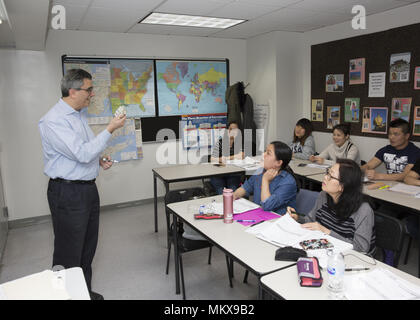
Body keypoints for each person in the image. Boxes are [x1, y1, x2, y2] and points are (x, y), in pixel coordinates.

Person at [39, 69, 126, 300]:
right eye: (89, 90)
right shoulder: (54, 121)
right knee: (68, 253)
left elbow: (84, 151)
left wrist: (99, 159)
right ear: (73, 91)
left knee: (86, 250)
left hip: (86, 190)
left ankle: (82, 293)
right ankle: (64, 297)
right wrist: (110, 128)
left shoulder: (78, 115)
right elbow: (81, 153)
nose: (92, 95)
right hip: (67, 193)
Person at [287, 159, 376, 255]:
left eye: (330, 176)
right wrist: (297, 218)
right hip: (327, 248)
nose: (325, 177)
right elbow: (310, 220)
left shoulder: (363, 209)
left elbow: (361, 248)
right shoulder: (323, 196)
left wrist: (326, 231)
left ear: (342, 186)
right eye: (327, 173)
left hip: (352, 257)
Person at [233, 141, 297, 215]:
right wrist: (233, 195)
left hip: (275, 220)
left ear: (278, 163)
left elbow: (267, 206)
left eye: (268, 153)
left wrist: (265, 180)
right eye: (265, 151)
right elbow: (245, 188)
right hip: (258, 214)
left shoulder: (288, 182)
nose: (263, 154)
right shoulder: (260, 170)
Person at [210, 121, 244, 194]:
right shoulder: (220, 142)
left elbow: (241, 156)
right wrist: (234, 157)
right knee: (221, 192)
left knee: (233, 191)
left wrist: (225, 158)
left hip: (233, 173)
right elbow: (212, 159)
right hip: (218, 174)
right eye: (231, 129)